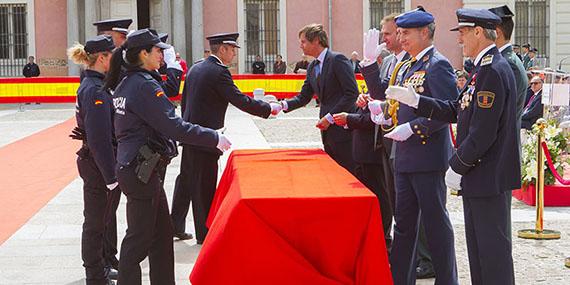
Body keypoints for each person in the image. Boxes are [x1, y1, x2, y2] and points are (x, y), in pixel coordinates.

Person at [386, 8, 520, 285]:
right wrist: (417, 101)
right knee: (479, 253)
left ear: (478, 32)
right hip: (479, 176)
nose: (460, 40)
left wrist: (457, 165)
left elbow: (483, 132)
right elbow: (457, 109)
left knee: (492, 253)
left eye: (462, 32)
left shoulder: (493, 70)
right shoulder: (482, 69)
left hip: (488, 175)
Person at [104, 29, 232, 285]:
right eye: (158, 50)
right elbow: (174, 126)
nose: (162, 55)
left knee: (161, 237)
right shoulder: (142, 85)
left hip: (143, 169)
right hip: (140, 171)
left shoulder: (130, 81)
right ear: (143, 53)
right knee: (138, 240)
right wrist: (213, 137)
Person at [366, 8, 459, 285]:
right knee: (404, 226)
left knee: (435, 226)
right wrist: (371, 66)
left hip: (427, 156)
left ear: (424, 33)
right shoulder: (407, 65)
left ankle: (447, 280)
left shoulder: (437, 64)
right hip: (404, 156)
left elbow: (448, 111)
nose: (400, 38)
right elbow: (387, 94)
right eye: (400, 33)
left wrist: (414, 127)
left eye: (406, 33)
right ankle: (400, 280)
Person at [172, 32, 281, 243]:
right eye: (232, 50)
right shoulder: (219, 72)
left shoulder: (196, 68)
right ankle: (204, 234)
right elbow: (239, 99)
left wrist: (187, 128)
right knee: (204, 186)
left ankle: (175, 225)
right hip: (207, 137)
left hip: (191, 134)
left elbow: (186, 102)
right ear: (222, 49)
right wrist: (268, 108)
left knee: (185, 182)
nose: (233, 54)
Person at [277, 23, 358, 173]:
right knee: (332, 172)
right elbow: (304, 97)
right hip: (326, 130)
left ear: (315, 40)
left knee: (348, 172)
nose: (301, 46)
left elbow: (352, 93)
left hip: (343, 127)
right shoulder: (313, 66)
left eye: (303, 42)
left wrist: (330, 117)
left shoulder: (337, 60)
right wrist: (281, 105)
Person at [68, 35, 116, 285]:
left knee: (101, 220)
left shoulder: (96, 84)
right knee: (96, 223)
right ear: (102, 58)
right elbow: (99, 140)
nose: (115, 58)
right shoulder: (95, 89)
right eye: (112, 54)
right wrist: (111, 177)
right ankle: (95, 275)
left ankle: (102, 268)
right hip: (97, 165)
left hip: (95, 162)